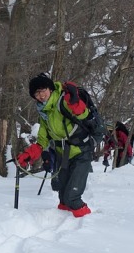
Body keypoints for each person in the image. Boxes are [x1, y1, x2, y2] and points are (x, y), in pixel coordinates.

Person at [17, 73, 93, 218]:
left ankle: (89, 225)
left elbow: (83, 114)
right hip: (62, 154)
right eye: (36, 93)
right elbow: (43, 140)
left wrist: (75, 101)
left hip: (81, 151)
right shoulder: (44, 112)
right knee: (63, 198)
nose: (40, 95)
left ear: (50, 89)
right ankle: (63, 225)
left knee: (73, 198)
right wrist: (29, 154)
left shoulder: (64, 101)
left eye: (42, 90)